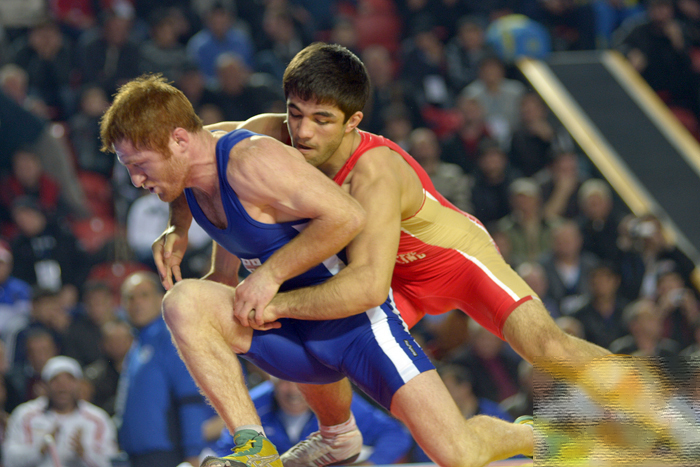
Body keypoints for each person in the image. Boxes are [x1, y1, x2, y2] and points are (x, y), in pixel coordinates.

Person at [153, 43, 609, 464]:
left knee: (547, 347)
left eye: (322, 120)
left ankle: (643, 407)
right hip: (387, 280)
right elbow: (194, 154)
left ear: (352, 121)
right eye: (295, 113)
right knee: (320, 327)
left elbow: (367, 287)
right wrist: (179, 223)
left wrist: (270, 298)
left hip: (448, 262)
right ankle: (338, 435)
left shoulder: (374, 171)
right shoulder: (268, 137)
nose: (303, 132)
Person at [101, 73, 534, 467]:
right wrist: (179, 226)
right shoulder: (190, 172)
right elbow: (198, 189)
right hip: (289, 329)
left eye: (139, 165)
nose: (136, 180)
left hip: (354, 326)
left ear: (179, 140)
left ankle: (536, 437)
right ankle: (259, 447)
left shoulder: (251, 158)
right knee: (183, 301)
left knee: (459, 455)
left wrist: (269, 275)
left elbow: (347, 216)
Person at [115, 272, 216, 467]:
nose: (136, 303)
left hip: (168, 456)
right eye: (130, 297)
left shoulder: (173, 338)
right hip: (137, 457)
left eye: (144, 295)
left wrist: (193, 452)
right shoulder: (137, 346)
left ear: (161, 299)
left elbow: (190, 397)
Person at [211, 377, 414, 465]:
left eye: (301, 382)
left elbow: (395, 434)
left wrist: (370, 464)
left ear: (314, 382)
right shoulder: (251, 404)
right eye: (284, 381)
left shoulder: (337, 402)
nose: (293, 391)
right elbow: (226, 450)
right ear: (271, 381)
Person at [3, 356, 118, 467]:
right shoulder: (25, 415)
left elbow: (112, 462)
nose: (62, 386)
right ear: (45, 385)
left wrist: (84, 454)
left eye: (69, 380)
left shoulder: (98, 419)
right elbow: (9, 460)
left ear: (79, 384)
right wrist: (39, 451)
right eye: (55, 380)